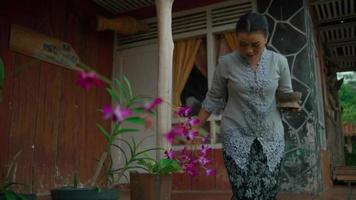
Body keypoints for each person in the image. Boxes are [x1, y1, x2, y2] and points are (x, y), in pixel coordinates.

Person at [194, 12, 301, 200]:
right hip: (236, 136)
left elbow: (285, 96)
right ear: (236, 39)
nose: (249, 50)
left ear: (266, 39)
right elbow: (213, 99)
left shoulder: (279, 62)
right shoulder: (226, 63)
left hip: (271, 138)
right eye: (243, 44)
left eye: (255, 45)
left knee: (267, 192)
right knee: (244, 193)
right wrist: (193, 128)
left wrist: (292, 105)